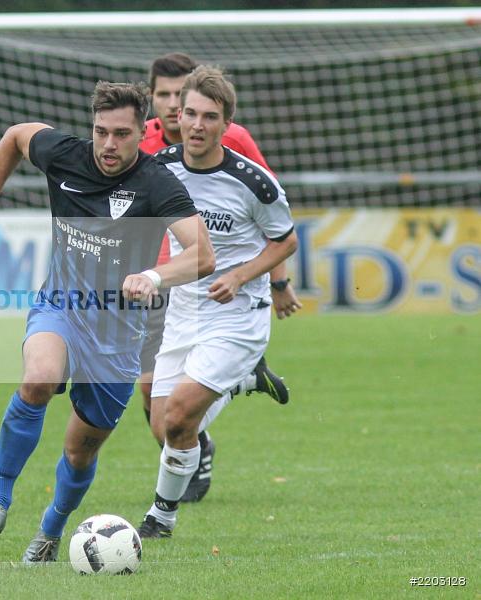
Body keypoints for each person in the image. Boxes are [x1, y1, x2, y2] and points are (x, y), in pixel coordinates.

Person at [0, 81, 215, 563]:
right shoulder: (66, 155)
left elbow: (204, 255)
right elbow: (17, 135)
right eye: (101, 132)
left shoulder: (157, 183)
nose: (108, 145)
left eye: (122, 134)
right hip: (60, 306)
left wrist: (154, 276)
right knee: (38, 378)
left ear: (144, 132)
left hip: (117, 339)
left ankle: (50, 531)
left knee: (80, 452)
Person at [137, 66, 298, 539]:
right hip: (181, 309)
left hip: (237, 313)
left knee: (183, 412)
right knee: (164, 426)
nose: (197, 125)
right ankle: (240, 383)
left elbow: (285, 241)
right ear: (177, 115)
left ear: (227, 124)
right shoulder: (159, 169)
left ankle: (161, 517)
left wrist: (245, 276)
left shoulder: (255, 183)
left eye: (210, 117)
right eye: (190, 113)